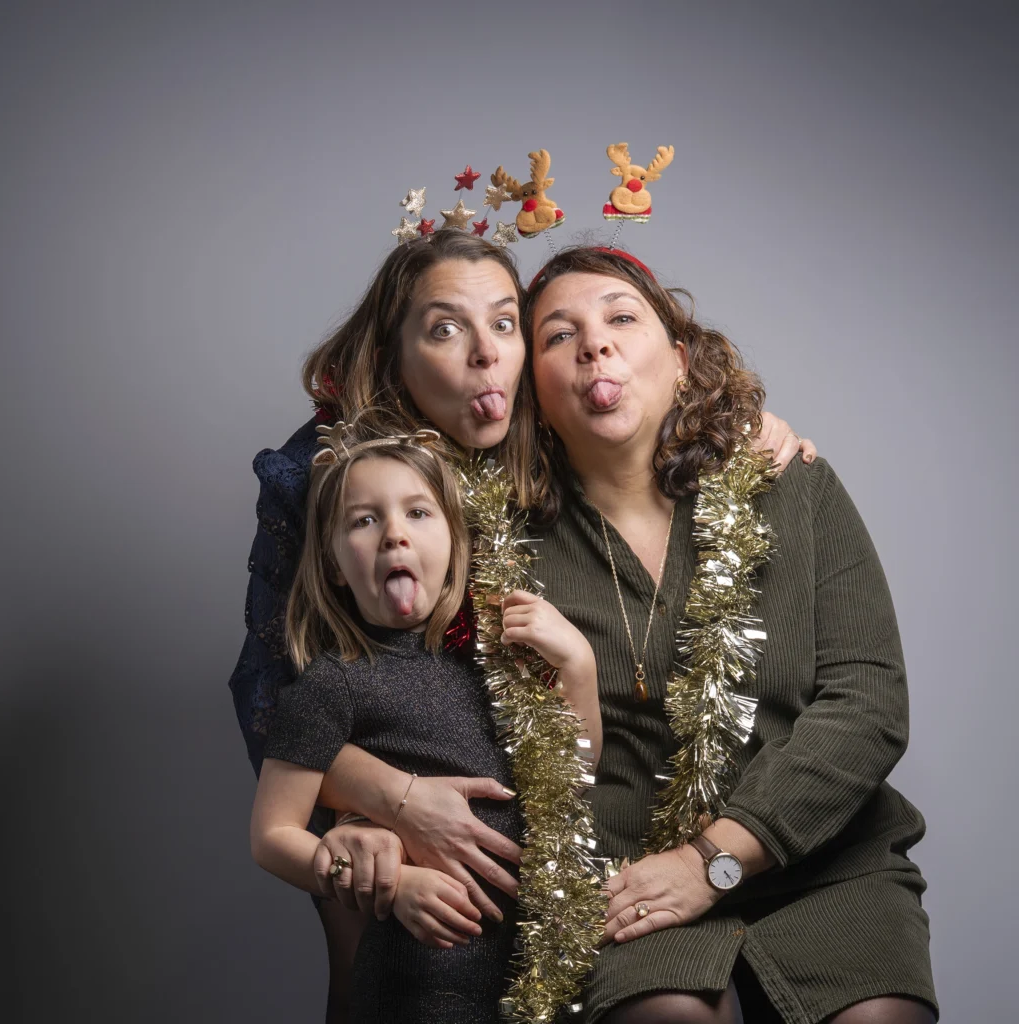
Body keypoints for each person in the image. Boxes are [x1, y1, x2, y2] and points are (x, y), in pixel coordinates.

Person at [228, 229, 815, 1021]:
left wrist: (750, 428)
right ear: (392, 353)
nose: (485, 355)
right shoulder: (329, 475)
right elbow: (275, 700)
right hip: (365, 794)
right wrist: (394, 804)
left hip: (521, 789)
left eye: (505, 324)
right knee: (379, 982)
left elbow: (631, 410)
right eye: (444, 329)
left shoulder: (534, 436)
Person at [517, 246, 937, 1023]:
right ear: (532, 391)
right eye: (556, 335)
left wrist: (712, 859)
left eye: (620, 318)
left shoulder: (790, 482)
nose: (593, 345)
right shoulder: (502, 545)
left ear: (680, 362)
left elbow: (869, 701)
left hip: (825, 858)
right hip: (629, 879)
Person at [249, 426, 600, 1022]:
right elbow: (271, 836)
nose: (394, 533)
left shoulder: (493, 660)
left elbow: (576, 768)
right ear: (334, 565)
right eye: (363, 521)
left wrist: (580, 666)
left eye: (418, 512)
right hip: (427, 968)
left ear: (454, 541)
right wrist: (392, 888)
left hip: (535, 961)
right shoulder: (331, 684)